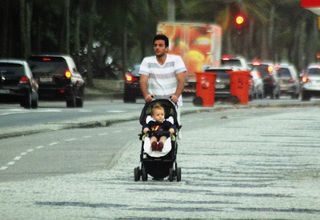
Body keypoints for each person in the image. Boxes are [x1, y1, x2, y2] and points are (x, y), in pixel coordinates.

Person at [139, 34, 187, 124]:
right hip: (154, 102)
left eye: (160, 45)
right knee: (151, 128)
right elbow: (143, 80)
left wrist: (176, 95)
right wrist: (146, 95)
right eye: (155, 45)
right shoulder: (147, 61)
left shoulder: (176, 60)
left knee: (171, 129)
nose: (157, 48)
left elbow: (181, 80)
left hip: (172, 102)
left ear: (166, 48)